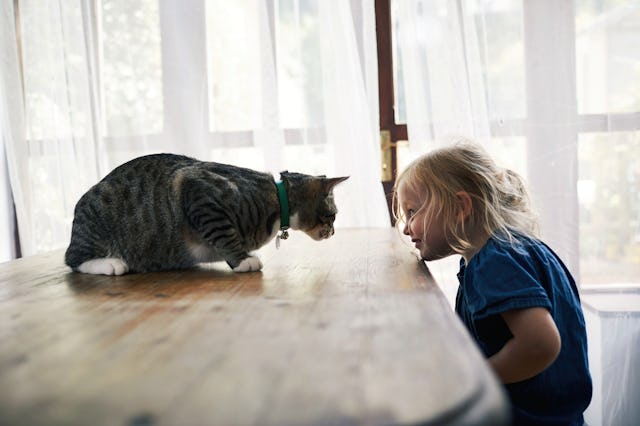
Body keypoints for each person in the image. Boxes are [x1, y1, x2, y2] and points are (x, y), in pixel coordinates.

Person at [393, 140, 592, 425]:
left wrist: (472, 378)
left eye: (413, 212)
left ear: (460, 206)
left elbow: (540, 344)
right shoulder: (519, 249)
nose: (405, 226)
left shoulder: (494, 262)